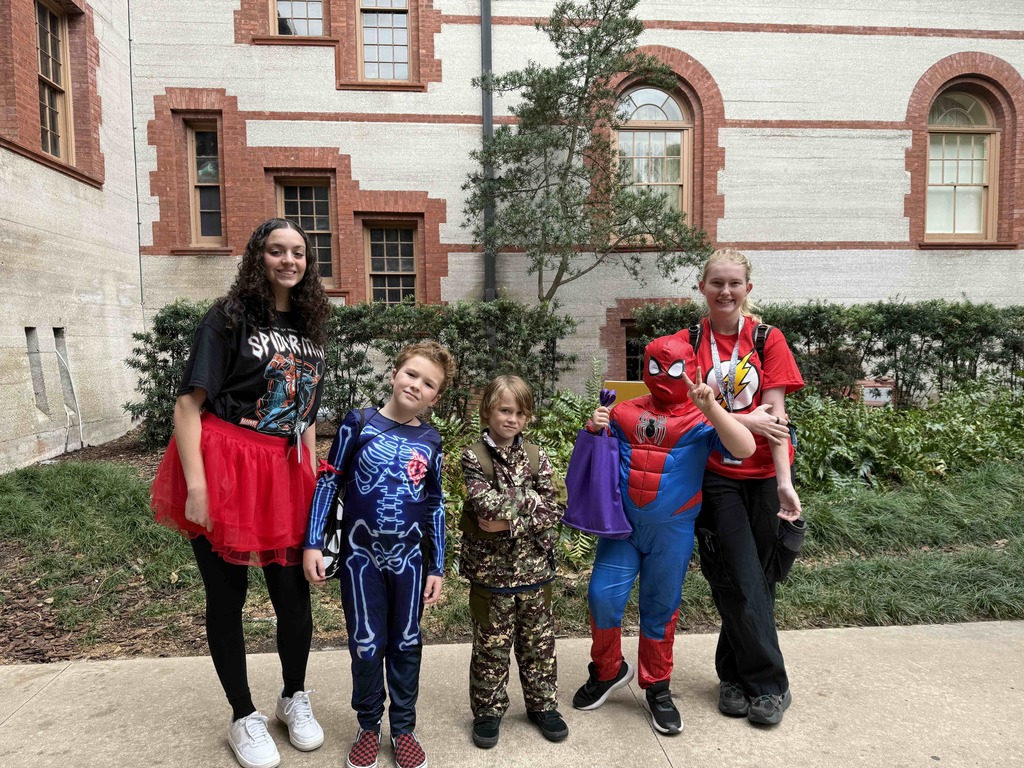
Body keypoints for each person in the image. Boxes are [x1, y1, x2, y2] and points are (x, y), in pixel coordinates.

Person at [151, 218, 331, 768]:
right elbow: (188, 406)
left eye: (297, 252)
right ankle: (242, 715)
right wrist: (198, 487)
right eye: (276, 251)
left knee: (293, 598)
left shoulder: (310, 324)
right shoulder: (227, 317)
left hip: (285, 472)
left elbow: (303, 408)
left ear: (307, 262)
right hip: (225, 464)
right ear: (258, 256)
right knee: (227, 601)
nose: (288, 261)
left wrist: (310, 471)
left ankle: (292, 697)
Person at [572, 335, 756, 736]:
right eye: (654, 366)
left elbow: (742, 448)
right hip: (622, 529)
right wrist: (594, 426)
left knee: (660, 609)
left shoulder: (702, 416)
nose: (662, 376)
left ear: (689, 369)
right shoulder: (622, 411)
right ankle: (607, 671)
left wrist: (713, 408)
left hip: (671, 531)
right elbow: (593, 458)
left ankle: (656, 685)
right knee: (602, 598)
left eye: (672, 369)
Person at [303, 341, 455, 768]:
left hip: (409, 560)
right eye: (411, 374)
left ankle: (403, 728)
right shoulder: (359, 422)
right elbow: (330, 481)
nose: (416, 385)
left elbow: (434, 503)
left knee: (407, 642)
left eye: (428, 384)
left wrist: (437, 565)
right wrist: (314, 541)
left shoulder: (431, 439)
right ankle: (368, 725)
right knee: (366, 644)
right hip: (360, 558)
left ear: (435, 397)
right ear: (394, 374)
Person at [677, 248, 805, 726]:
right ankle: (771, 684)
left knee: (760, 579)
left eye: (734, 283)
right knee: (737, 574)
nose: (725, 291)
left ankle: (732, 674)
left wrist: (786, 484)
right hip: (717, 476)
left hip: (765, 475)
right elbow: (686, 412)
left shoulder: (768, 339)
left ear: (748, 289)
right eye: (716, 283)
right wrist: (742, 418)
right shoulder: (689, 342)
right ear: (703, 288)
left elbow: (775, 419)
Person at [459, 375, 567, 749]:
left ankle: (543, 706)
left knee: (539, 648)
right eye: (505, 410)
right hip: (491, 577)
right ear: (488, 410)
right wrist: (530, 502)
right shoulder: (473, 456)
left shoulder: (537, 456)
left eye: (520, 413)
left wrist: (510, 520)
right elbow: (483, 506)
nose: (513, 419)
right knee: (490, 650)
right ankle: (488, 712)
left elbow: (555, 506)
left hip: (535, 573)